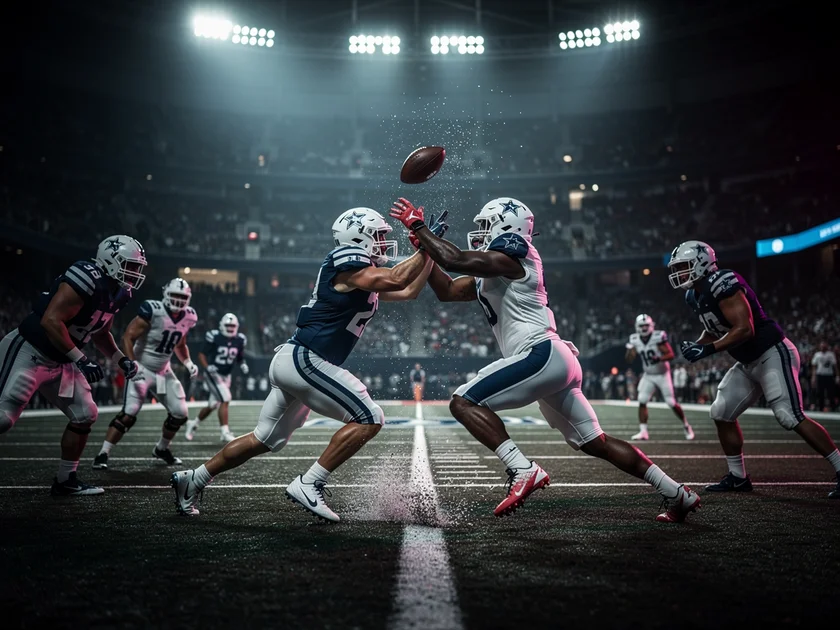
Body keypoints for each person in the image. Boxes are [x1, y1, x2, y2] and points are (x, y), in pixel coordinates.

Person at [390, 197, 699, 522]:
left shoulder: (514, 254)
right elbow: (448, 290)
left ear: (506, 227)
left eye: (485, 226)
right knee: (597, 443)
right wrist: (426, 251)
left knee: (463, 402)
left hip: (540, 353)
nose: (479, 232)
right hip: (552, 359)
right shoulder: (495, 269)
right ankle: (676, 493)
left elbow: (454, 258)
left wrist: (419, 227)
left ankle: (522, 468)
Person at [171, 207, 442, 521]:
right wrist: (425, 242)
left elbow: (408, 291)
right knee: (369, 416)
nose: (383, 243)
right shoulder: (346, 260)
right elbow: (397, 278)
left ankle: (193, 480)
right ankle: (310, 482)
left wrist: (430, 250)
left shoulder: (363, 276)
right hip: (306, 358)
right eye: (379, 236)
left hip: (296, 360)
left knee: (265, 439)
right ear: (358, 237)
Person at [669, 240, 840, 498]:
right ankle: (738, 477)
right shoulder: (693, 294)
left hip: (772, 351)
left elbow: (745, 328)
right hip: (748, 362)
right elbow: (714, 326)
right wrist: (698, 344)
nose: (680, 273)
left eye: (684, 266)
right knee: (721, 411)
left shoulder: (722, 282)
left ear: (702, 262)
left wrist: (708, 349)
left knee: (789, 416)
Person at [0, 236, 145, 495]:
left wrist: (120, 359)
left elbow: (101, 333)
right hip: (31, 349)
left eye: (136, 267)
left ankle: (66, 480)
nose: (134, 272)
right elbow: (51, 320)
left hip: (62, 359)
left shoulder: (120, 292)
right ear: (110, 260)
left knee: (85, 414)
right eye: (130, 265)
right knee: (2, 419)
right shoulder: (87, 275)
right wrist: (82, 359)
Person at [93, 278, 199, 470]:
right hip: (142, 368)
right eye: (175, 295)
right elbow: (128, 336)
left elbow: (180, 344)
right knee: (129, 414)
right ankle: (103, 453)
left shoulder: (189, 317)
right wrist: (133, 364)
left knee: (180, 413)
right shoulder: (153, 310)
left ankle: (161, 448)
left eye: (182, 297)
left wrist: (188, 362)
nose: (178, 300)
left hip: (163, 371)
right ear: (166, 293)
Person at [625, 314, 694, 440]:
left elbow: (671, 355)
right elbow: (629, 359)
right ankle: (643, 431)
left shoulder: (658, 337)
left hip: (663, 374)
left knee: (671, 402)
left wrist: (659, 358)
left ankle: (686, 425)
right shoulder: (634, 339)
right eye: (642, 326)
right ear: (637, 327)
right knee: (642, 400)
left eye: (646, 325)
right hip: (648, 375)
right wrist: (630, 351)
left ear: (651, 326)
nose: (644, 328)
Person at [184, 313, 248, 443]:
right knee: (226, 398)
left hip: (226, 375)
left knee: (213, 404)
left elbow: (240, 356)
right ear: (221, 326)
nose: (230, 328)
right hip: (213, 374)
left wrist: (242, 364)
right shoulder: (214, 337)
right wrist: (207, 367)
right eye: (227, 325)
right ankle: (225, 432)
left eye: (232, 326)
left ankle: (193, 423)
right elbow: (202, 354)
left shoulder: (240, 339)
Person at [811, 342, 838, 412]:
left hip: (829, 375)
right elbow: (814, 366)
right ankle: (820, 407)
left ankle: (833, 407)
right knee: (820, 392)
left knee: (831, 392)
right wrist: (813, 377)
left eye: (824, 346)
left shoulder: (830, 355)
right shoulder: (817, 354)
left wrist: (837, 375)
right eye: (821, 346)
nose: (822, 348)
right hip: (820, 375)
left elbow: (835, 366)